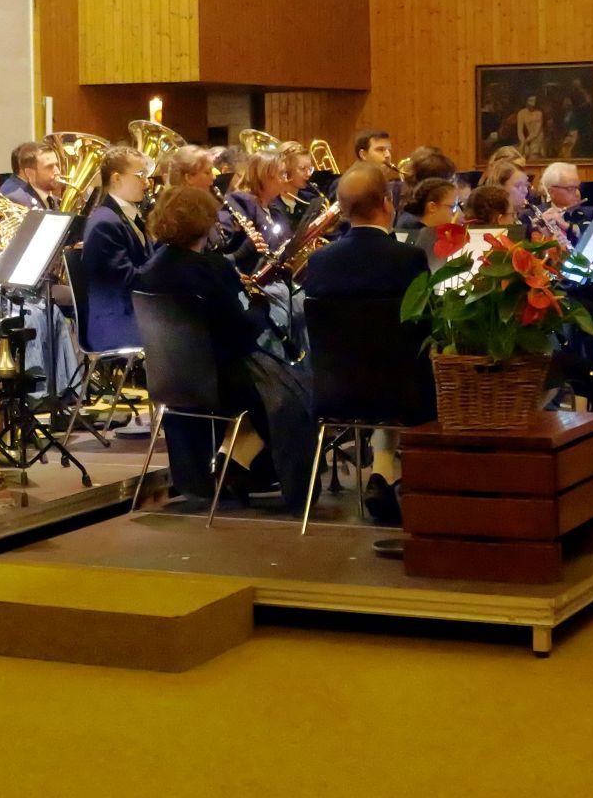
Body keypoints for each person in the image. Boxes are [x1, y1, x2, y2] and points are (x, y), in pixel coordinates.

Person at [135, 185, 314, 509]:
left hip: (170, 379)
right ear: (204, 223)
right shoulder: (212, 268)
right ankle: (248, 467)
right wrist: (258, 307)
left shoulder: (149, 269)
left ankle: (233, 463)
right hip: (221, 381)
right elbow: (241, 331)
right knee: (296, 393)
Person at [301, 164, 434, 519]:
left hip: (335, 391)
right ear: (387, 203)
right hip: (403, 391)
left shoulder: (319, 261)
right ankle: (395, 477)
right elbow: (424, 323)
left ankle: (383, 473)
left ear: (342, 209)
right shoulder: (408, 257)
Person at [77, 147, 151, 351]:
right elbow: (125, 281)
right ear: (117, 179)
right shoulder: (105, 223)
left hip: (136, 311)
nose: (146, 182)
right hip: (116, 322)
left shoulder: (126, 215)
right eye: (140, 175)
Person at [273, 143, 326, 238]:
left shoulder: (311, 200)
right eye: (303, 169)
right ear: (286, 171)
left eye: (310, 169)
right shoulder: (270, 204)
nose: (309, 174)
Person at [0, 141, 58, 209]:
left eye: (56, 165)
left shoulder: (48, 194)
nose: (57, 171)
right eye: (49, 167)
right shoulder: (16, 199)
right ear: (29, 173)